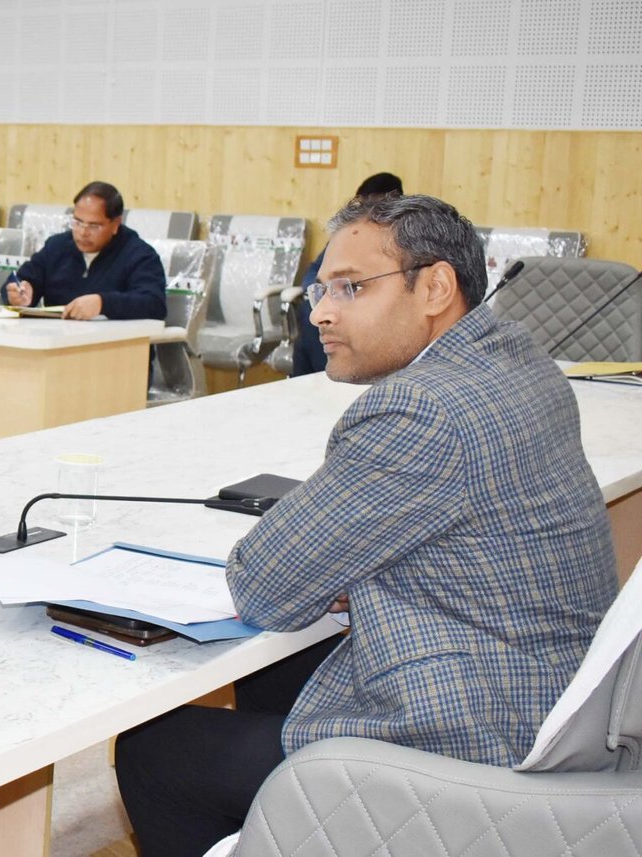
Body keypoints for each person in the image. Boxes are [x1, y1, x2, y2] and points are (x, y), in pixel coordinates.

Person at [114, 194, 617, 857]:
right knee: (275, 671)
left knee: (155, 748)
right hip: (555, 697)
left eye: (350, 288)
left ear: (435, 287)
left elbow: (263, 586)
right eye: (321, 289)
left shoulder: (421, 408)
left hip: (478, 735)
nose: (320, 312)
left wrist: (337, 562)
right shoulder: (517, 361)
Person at [292, 172, 404, 375]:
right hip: (341, 295)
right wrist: (317, 291)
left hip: (369, 304)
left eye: (375, 204)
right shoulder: (350, 234)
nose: (367, 211)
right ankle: (310, 379)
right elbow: (315, 269)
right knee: (309, 311)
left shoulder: (401, 237)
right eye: (363, 203)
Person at [4, 181, 166, 320]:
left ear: (116, 224)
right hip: (58, 340)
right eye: (77, 222)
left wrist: (102, 303)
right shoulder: (57, 246)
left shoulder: (139, 255)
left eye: (94, 226)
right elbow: (19, 281)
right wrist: (20, 295)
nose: (83, 232)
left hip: (113, 343)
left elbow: (154, 304)